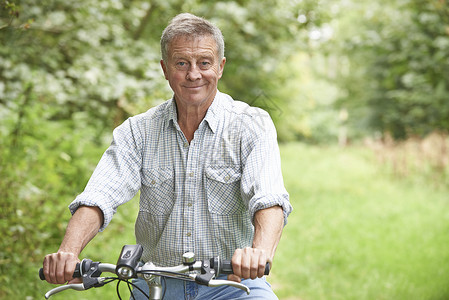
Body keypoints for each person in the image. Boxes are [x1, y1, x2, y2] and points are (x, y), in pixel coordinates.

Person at [42, 13, 292, 299]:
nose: (194, 74)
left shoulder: (251, 125)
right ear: (165, 68)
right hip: (155, 283)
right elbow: (100, 196)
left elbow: (269, 200)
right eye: (182, 63)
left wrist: (258, 255)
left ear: (220, 67)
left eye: (204, 63)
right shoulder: (137, 131)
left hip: (231, 284)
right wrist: (68, 252)